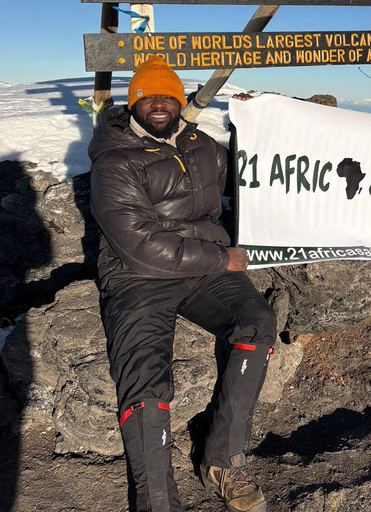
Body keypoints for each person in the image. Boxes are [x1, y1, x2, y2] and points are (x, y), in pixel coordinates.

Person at [89, 56, 275, 512]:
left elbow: (249, 176)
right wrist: (221, 257)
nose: (157, 103)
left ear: (178, 101)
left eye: (166, 95)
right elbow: (139, 245)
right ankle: (157, 501)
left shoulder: (199, 143)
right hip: (139, 278)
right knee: (144, 375)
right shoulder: (114, 160)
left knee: (256, 320)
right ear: (132, 103)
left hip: (202, 271)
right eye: (146, 96)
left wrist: (250, 126)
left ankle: (223, 461)